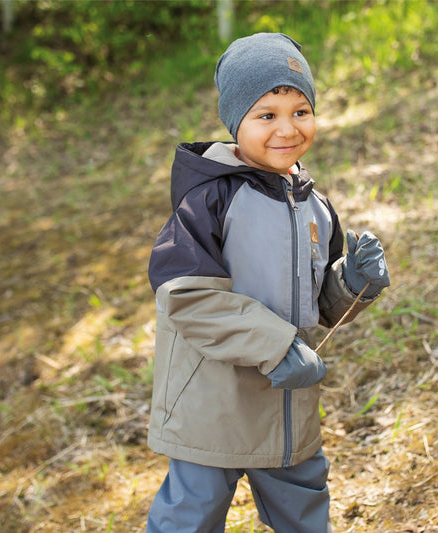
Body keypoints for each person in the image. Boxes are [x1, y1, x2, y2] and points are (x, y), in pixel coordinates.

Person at [145, 32, 390, 533]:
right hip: (212, 399)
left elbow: (318, 303)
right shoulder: (209, 200)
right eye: (266, 115)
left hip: (286, 403)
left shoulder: (313, 204)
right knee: (192, 513)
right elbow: (187, 299)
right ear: (236, 122)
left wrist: (354, 284)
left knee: (303, 505)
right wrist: (278, 345)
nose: (287, 128)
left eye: (301, 111)